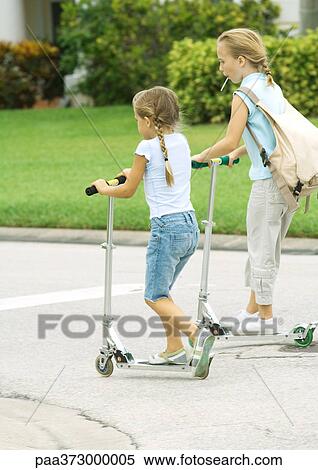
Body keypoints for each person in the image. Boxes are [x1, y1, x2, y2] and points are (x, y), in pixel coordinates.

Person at [91, 86, 210, 369]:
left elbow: (128, 191)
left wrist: (104, 188)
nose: (136, 125)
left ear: (146, 120)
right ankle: (174, 349)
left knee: (154, 296)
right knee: (164, 292)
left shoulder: (145, 147)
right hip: (189, 227)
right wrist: (136, 172)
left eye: (136, 120)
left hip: (166, 229)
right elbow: (164, 170)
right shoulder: (180, 141)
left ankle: (196, 334)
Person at [192, 28, 293, 335]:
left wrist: (197, 157)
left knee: (260, 249)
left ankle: (265, 319)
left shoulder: (242, 95)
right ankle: (252, 311)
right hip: (288, 181)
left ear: (240, 59)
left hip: (267, 184)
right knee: (268, 248)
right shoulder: (269, 85)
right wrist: (240, 151)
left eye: (223, 61)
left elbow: (228, 138)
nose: (221, 67)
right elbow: (269, 135)